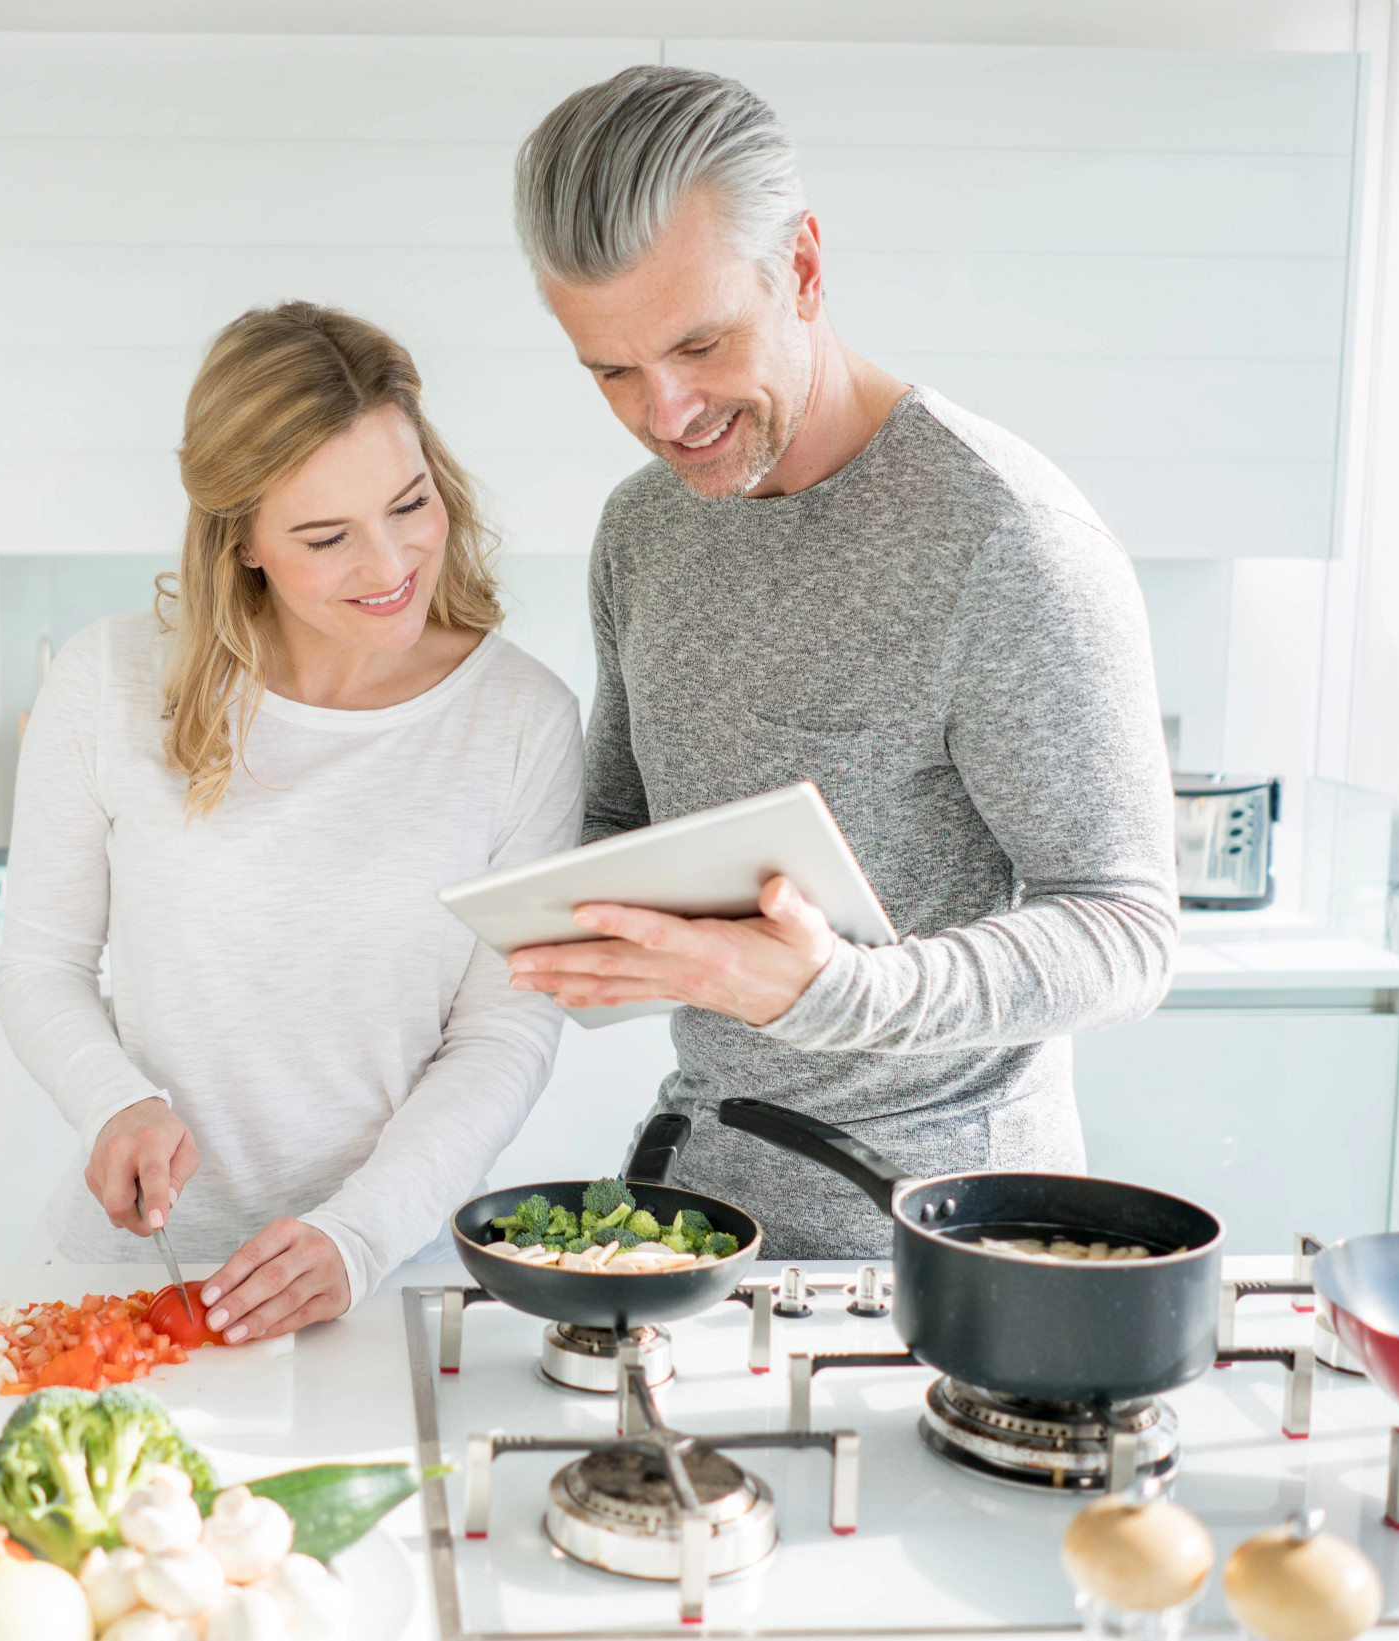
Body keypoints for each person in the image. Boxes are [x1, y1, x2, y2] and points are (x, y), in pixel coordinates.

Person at [504, 67, 1179, 1257]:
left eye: (700, 343)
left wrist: (833, 994)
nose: (666, 414)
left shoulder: (1001, 536)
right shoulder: (645, 528)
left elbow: (1124, 931)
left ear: (803, 267)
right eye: (610, 371)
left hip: (946, 1241)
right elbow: (621, 820)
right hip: (690, 1218)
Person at [0, 302, 583, 1339]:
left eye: (410, 503)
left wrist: (357, 1235)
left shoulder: (520, 719)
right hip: (131, 1275)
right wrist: (113, 1101)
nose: (390, 564)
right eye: (326, 537)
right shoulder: (110, 680)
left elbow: (503, 1030)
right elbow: (39, 965)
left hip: (378, 1282)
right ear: (244, 541)